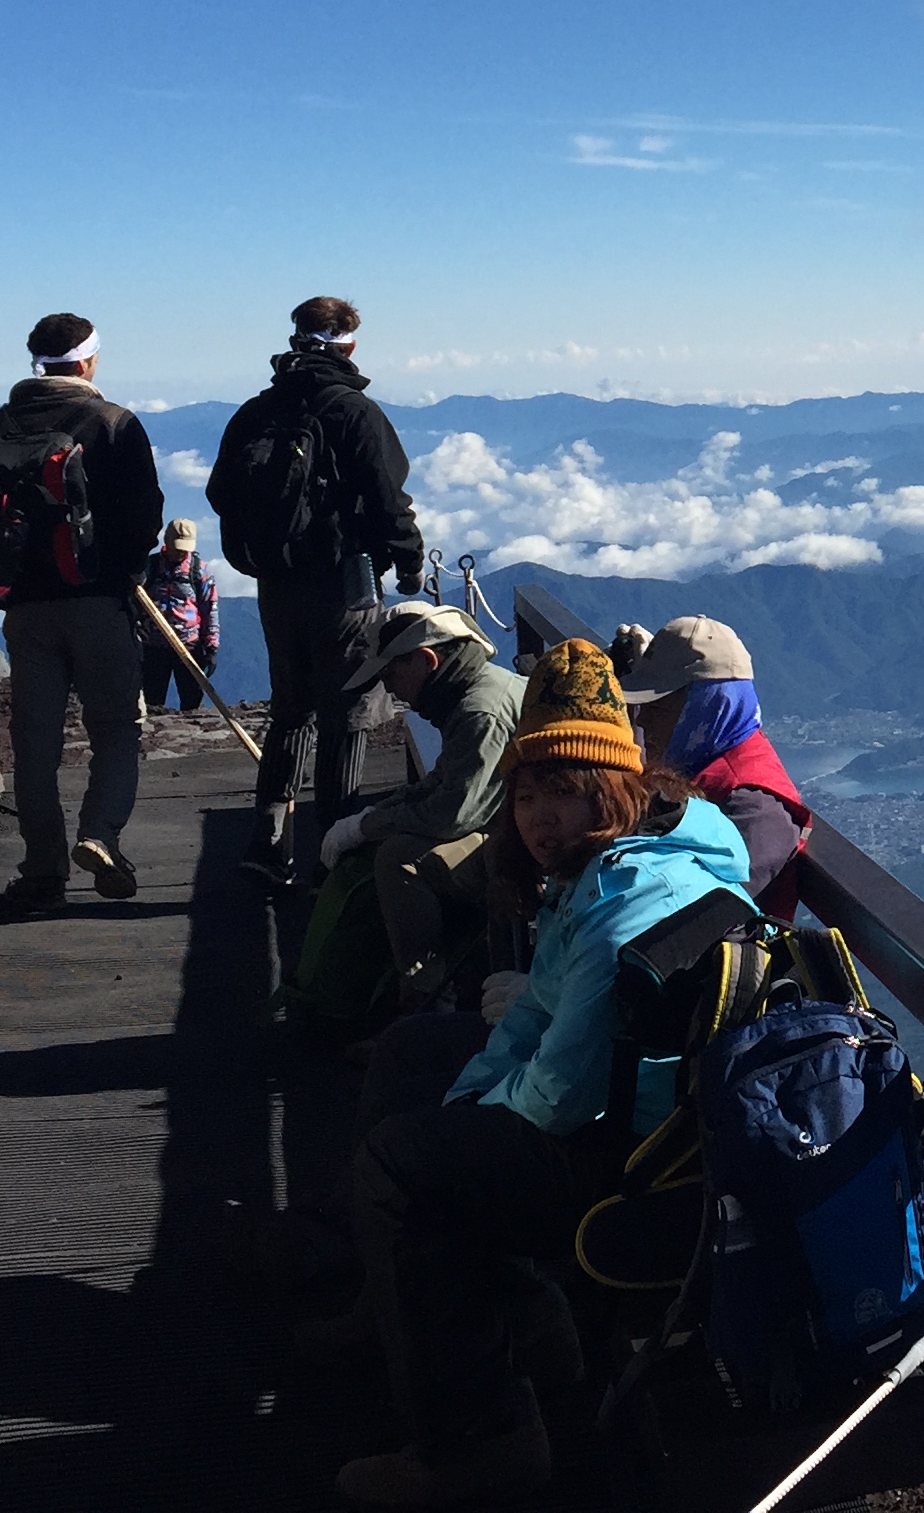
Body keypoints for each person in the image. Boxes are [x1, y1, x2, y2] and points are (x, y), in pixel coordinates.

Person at [335, 640, 748, 1508]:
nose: (537, 816)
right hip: (627, 1114)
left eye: (565, 788)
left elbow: (556, 1093)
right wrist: (469, 1094)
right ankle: (415, 1302)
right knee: (420, 1058)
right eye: (526, 790)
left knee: (400, 1167)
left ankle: (480, 1440)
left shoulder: (622, 903)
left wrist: (474, 1111)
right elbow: (535, 1013)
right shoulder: (636, 853)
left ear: (615, 786)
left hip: (618, 1160)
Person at [0, 312, 166, 917]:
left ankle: (42, 868)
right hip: (99, 603)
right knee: (115, 732)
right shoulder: (113, 424)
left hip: (24, 608)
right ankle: (100, 835)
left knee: (36, 743)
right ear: (89, 361)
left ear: (35, 362)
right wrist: (123, 570)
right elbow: (143, 516)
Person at [208, 295, 424, 888]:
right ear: (349, 343)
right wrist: (409, 565)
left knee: (291, 712)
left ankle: (267, 842)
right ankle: (336, 853)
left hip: (275, 586)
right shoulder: (354, 412)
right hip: (343, 583)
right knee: (347, 712)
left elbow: (219, 492)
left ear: (296, 337)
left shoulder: (257, 411)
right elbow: (387, 500)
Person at [318, 602, 527, 1014]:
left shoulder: (477, 712)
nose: (389, 688)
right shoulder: (476, 689)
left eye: (391, 673)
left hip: (523, 848)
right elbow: (443, 782)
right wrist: (368, 820)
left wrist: (366, 827)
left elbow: (454, 816)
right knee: (397, 840)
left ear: (427, 660)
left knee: (401, 859)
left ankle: (426, 1004)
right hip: (517, 826)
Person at [617, 615, 809, 911]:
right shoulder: (705, 758)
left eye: (658, 707)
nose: (642, 719)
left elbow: (709, 916)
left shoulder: (752, 805)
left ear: (706, 707)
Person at [139, 519, 221, 713]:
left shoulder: (199, 571)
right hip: (154, 645)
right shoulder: (149, 567)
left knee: (192, 703)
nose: (180, 553)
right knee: (151, 702)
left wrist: (211, 647)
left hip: (189, 646)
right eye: (177, 548)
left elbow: (210, 608)